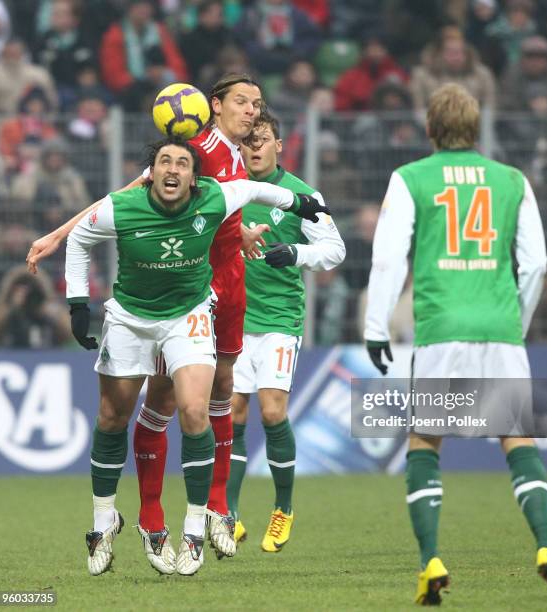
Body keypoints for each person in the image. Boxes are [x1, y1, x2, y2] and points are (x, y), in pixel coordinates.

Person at [26, 73, 276, 571]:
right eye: (244, 102)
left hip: (229, 274)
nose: (253, 112)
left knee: (222, 388)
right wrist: (58, 234)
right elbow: (127, 196)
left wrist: (241, 230)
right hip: (184, 287)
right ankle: (153, 514)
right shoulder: (195, 145)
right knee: (168, 401)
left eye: (258, 104)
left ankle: (219, 510)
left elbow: (219, 205)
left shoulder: (234, 153)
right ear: (213, 106)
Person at [65, 136, 329, 576]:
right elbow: (78, 238)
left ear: (193, 177)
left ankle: (192, 531)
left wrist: (301, 202)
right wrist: (77, 302)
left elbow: (256, 189)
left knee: (194, 411)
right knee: (112, 416)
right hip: (130, 317)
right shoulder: (122, 206)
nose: (173, 170)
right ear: (151, 173)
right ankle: (102, 521)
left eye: (182, 164)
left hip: (187, 316)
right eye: (164, 162)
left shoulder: (212, 197)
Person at [363, 84, 547, 606]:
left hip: (442, 327)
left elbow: (389, 258)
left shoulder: (411, 177)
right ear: (477, 128)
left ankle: (431, 560)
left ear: (431, 128)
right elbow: (537, 264)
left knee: (425, 442)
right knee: (516, 439)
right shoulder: (512, 180)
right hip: (500, 326)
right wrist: (517, 321)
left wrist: (376, 326)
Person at [227, 112, 345, 550]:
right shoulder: (230, 190)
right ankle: (230, 514)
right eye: (248, 140)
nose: (255, 146)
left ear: (279, 145)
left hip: (279, 319)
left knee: (272, 412)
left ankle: (283, 508)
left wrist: (294, 253)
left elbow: (335, 249)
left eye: (264, 139)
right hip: (235, 317)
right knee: (233, 413)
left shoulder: (301, 194)